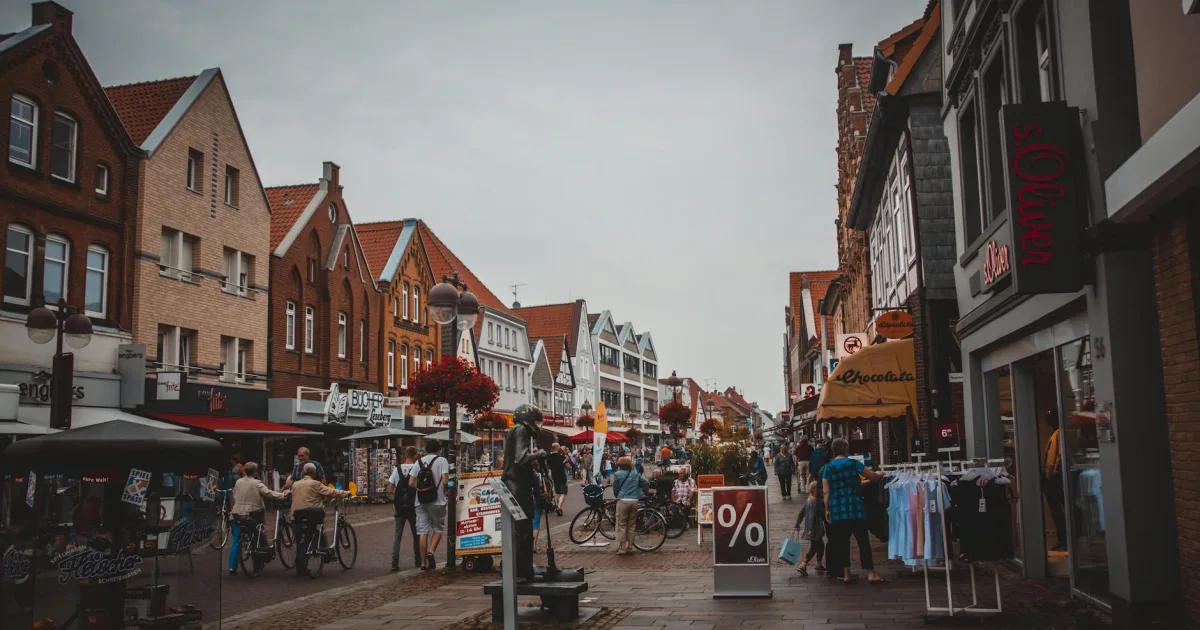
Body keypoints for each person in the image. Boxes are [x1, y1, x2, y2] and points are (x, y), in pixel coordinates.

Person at [822, 438, 886, 584]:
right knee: (863, 541)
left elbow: (826, 491)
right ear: (846, 449)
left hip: (837, 509)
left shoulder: (828, 468)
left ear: (833, 450)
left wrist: (827, 510)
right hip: (855, 508)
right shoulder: (853, 463)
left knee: (842, 542)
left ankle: (846, 573)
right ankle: (871, 573)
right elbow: (872, 476)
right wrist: (879, 474)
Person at [290, 462, 351, 576]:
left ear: (303, 473)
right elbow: (331, 491)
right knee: (315, 530)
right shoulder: (316, 484)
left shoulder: (295, 484)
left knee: (300, 540)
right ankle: (321, 553)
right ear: (314, 473)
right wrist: (346, 493)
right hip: (311, 515)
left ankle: (300, 566)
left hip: (296, 516)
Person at [228, 462, 287, 576]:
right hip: (251, 514)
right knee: (256, 536)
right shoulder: (257, 483)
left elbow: (234, 496)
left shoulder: (238, 482)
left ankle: (232, 567)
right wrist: (283, 495)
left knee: (236, 540)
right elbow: (268, 493)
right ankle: (257, 565)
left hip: (236, 514)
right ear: (255, 472)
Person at [409, 439, 450, 571]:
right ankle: (431, 552)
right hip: (437, 500)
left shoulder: (418, 462)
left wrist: (421, 488)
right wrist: (445, 490)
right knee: (438, 528)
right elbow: (445, 481)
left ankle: (422, 563)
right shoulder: (442, 460)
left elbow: (411, 482)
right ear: (439, 449)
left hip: (420, 500)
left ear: (426, 449)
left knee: (422, 531)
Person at [386, 446, 421, 572]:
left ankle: (394, 563)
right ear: (415, 455)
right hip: (413, 506)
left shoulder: (397, 469)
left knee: (397, 534)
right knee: (416, 534)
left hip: (399, 506)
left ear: (405, 455)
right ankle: (418, 561)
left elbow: (390, 489)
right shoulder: (417, 468)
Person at [611, 456, 649, 555]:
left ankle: (622, 548)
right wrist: (641, 493)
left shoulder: (618, 474)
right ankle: (630, 546)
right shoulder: (635, 473)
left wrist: (618, 495)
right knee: (631, 524)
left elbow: (615, 488)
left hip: (623, 500)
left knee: (621, 524)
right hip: (634, 501)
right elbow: (646, 483)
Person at [1042, 410, 1067, 551]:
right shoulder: (1056, 434)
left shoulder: (1058, 434)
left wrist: (1052, 473)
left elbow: (1056, 457)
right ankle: (1063, 538)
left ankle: (1064, 539)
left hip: (1053, 477)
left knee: (1058, 510)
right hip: (1052, 476)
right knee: (1057, 510)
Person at [792, 481, 826, 576]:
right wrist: (811, 530)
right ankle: (803, 565)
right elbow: (811, 517)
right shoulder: (813, 501)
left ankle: (818, 564)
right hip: (814, 529)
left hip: (815, 529)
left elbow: (801, 512)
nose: (821, 490)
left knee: (820, 546)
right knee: (814, 548)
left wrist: (797, 524)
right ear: (814, 489)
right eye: (819, 488)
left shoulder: (809, 499)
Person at [546, 443, 568, 516]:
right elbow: (568, 466)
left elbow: (548, 466)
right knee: (563, 493)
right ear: (558, 448)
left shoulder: (549, 457)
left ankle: (559, 507)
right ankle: (559, 507)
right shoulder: (561, 457)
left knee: (558, 492)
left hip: (554, 476)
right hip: (562, 476)